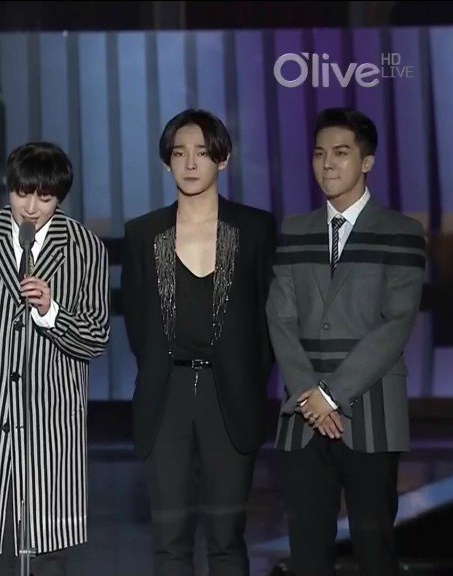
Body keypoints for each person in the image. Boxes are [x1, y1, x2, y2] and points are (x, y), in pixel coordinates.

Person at [267, 107, 426, 576]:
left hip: (371, 409)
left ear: (367, 161)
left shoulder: (401, 232)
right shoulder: (295, 230)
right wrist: (309, 395)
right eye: (319, 154)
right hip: (303, 416)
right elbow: (280, 317)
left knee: (375, 552)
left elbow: (396, 323)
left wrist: (331, 394)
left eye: (340, 153)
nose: (327, 164)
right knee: (307, 557)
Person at [0, 141, 110, 576]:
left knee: (50, 552)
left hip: (52, 423)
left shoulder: (85, 247)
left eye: (45, 198)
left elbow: (96, 338)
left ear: (60, 198)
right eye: (22, 194)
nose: (31, 208)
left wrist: (51, 312)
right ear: (9, 188)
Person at [121, 109, 277, 576]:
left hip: (230, 395)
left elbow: (269, 317)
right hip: (165, 395)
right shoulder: (143, 233)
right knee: (169, 541)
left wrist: (249, 379)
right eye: (179, 153)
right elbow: (137, 321)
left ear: (223, 159)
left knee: (227, 539)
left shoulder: (254, 229)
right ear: (166, 162)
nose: (190, 163)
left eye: (203, 153)